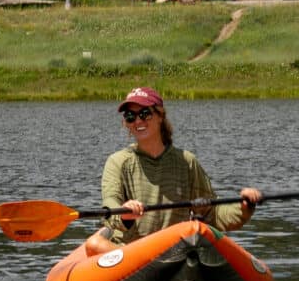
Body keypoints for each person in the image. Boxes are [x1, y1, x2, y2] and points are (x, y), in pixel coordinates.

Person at [82, 85, 262, 255]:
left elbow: (213, 214)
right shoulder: (118, 162)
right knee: (94, 244)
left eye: (145, 114)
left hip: (174, 248)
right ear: (126, 123)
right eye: (130, 116)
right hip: (132, 253)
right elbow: (110, 205)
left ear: (160, 116)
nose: (138, 121)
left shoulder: (186, 162)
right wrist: (125, 213)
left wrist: (245, 206)